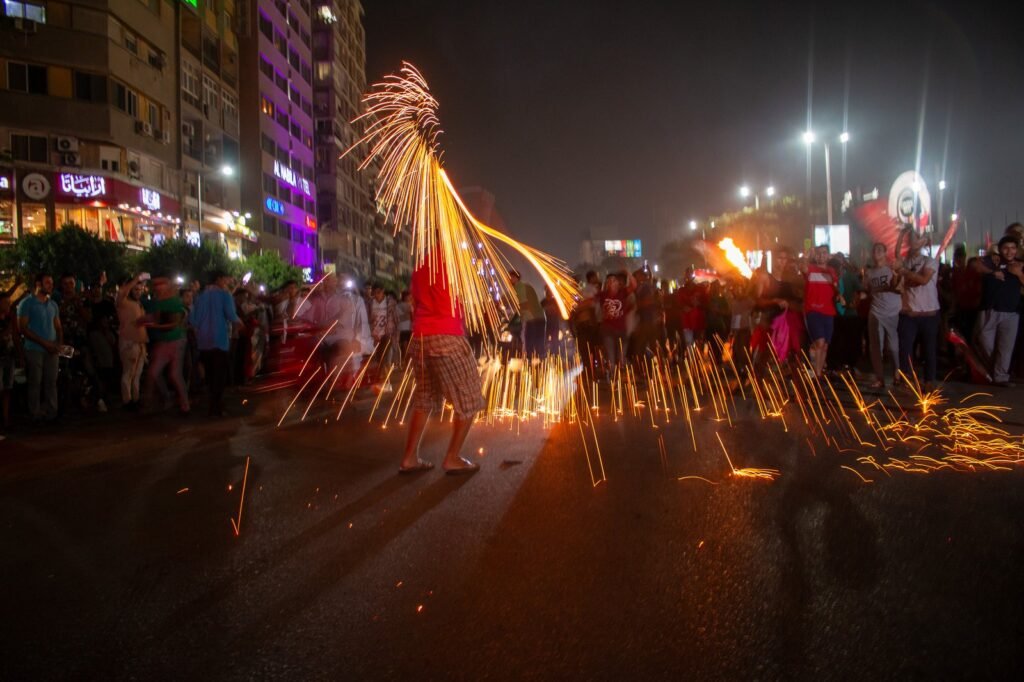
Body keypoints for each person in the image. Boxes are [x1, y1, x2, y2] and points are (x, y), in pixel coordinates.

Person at [400, 254, 484, 474]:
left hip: (419, 338)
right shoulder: (457, 260)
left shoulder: (420, 266)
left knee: (424, 397)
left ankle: (409, 458)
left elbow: (415, 302)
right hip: (447, 336)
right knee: (470, 398)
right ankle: (452, 457)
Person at [973, 236, 1024, 387]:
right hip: (990, 310)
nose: (1010, 251)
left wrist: (1018, 274)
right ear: (1000, 249)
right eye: (1006, 248)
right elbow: (975, 265)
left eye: (1013, 248)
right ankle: (995, 370)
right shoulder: (993, 260)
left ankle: (1001, 377)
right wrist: (993, 272)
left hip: (1011, 312)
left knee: (1006, 347)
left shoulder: (1020, 264)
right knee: (984, 341)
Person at [190, 271, 242, 417]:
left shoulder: (200, 297)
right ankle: (216, 408)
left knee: (210, 375)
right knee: (219, 377)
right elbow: (231, 315)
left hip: (204, 342)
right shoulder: (225, 295)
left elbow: (194, 320)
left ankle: (213, 405)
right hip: (219, 341)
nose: (227, 282)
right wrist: (240, 324)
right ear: (219, 279)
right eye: (226, 278)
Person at [894, 231, 940, 388]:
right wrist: (901, 235)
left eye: (917, 239)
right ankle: (906, 378)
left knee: (929, 349)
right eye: (910, 240)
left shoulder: (930, 261)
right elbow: (896, 256)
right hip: (909, 314)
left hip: (929, 313)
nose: (913, 242)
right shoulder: (904, 262)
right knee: (905, 348)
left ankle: (928, 381)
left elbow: (923, 279)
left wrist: (905, 272)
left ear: (924, 242)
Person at [141, 275, 190, 415]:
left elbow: (175, 322)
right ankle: (152, 403)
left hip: (176, 341)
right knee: (152, 373)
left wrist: (154, 325)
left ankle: (184, 405)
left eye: (160, 285)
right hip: (165, 342)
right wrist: (144, 320)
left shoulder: (174, 303)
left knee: (174, 374)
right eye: (156, 286)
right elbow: (156, 318)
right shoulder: (158, 303)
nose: (157, 288)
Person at [17, 274, 62, 421]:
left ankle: (51, 412)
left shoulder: (53, 304)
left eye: (51, 282)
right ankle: (34, 413)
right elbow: (23, 328)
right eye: (47, 282)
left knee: (51, 381)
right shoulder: (26, 303)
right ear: (38, 284)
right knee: (35, 382)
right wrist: (44, 343)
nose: (50, 285)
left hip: (51, 349)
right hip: (34, 349)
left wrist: (58, 344)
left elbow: (58, 327)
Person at [864, 243, 902, 389]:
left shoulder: (891, 269)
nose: (876, 253)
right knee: (876, 346)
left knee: (892, 346)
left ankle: (896, 374)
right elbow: (867, 289)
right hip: (875, 311)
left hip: (892, 312)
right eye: (874, 250)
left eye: (880, 250)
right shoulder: (870, 272)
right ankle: (879, 378)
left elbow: (899, 288)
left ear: (885, 252)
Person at [804, 246, 840, 378]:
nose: (821, 256)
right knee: (819, 342)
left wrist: (839, 296)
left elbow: (835, 288)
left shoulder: (831, 272)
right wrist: (807, 256)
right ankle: (817, 373)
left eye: (824, 253)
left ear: (828, 256)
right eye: (819, 253)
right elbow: (802, 268)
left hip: (828, 312)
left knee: (825, 345)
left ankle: (819, 372)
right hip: (813, 311)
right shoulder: (810, 269)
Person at [116, 274, 148, 411]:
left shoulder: (138, 304)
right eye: (135, 289)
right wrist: (136, 279)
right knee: (129, 373)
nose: (138, 292)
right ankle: (127, 401)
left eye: (140, 289)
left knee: (136, 374)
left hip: (140, 344)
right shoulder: (122, 302)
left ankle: (135, 399)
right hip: (129, 343)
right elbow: (122, 292)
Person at [598, 273, 633, 377]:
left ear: (618, 284)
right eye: (609, 281)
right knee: (611, 357)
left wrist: (629, 273)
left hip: (622, 331)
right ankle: (613, 377)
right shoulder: (602, 295)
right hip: (608, 331)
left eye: (614, 281)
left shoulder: (623, 293)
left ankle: (623, 373)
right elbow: (590, 301)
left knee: (621, 357)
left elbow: (633, 286)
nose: (611, 283)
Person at [0, 292, 24, 437]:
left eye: (9, 303)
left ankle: (6, 419)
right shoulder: (6, 321)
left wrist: (20, 355)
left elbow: (15, 336)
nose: (8, 305)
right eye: (5, 303)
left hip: (9, 356)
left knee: (8, 388)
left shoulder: (11, 317)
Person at [510, 269, 545, 357]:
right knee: (537, 342)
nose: (509, 279)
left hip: (533, 317)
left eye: (510, 277)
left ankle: (531, 361)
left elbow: (524, 304)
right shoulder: (523, 286)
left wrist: (515, 315)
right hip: (539, 316)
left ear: (515, 278)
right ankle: (540, 360)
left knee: (529, 340)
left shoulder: (519, 287)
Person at [396, 290, 413, 356]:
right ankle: (406, 358)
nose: (410, 297)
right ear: (405, 297)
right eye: (409, 296)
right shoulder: (410, 306)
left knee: (405, 344)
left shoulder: (398, 306)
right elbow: (412, 317)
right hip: (407, 328)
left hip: (403, 328)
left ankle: (405, 358)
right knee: (406, 344)